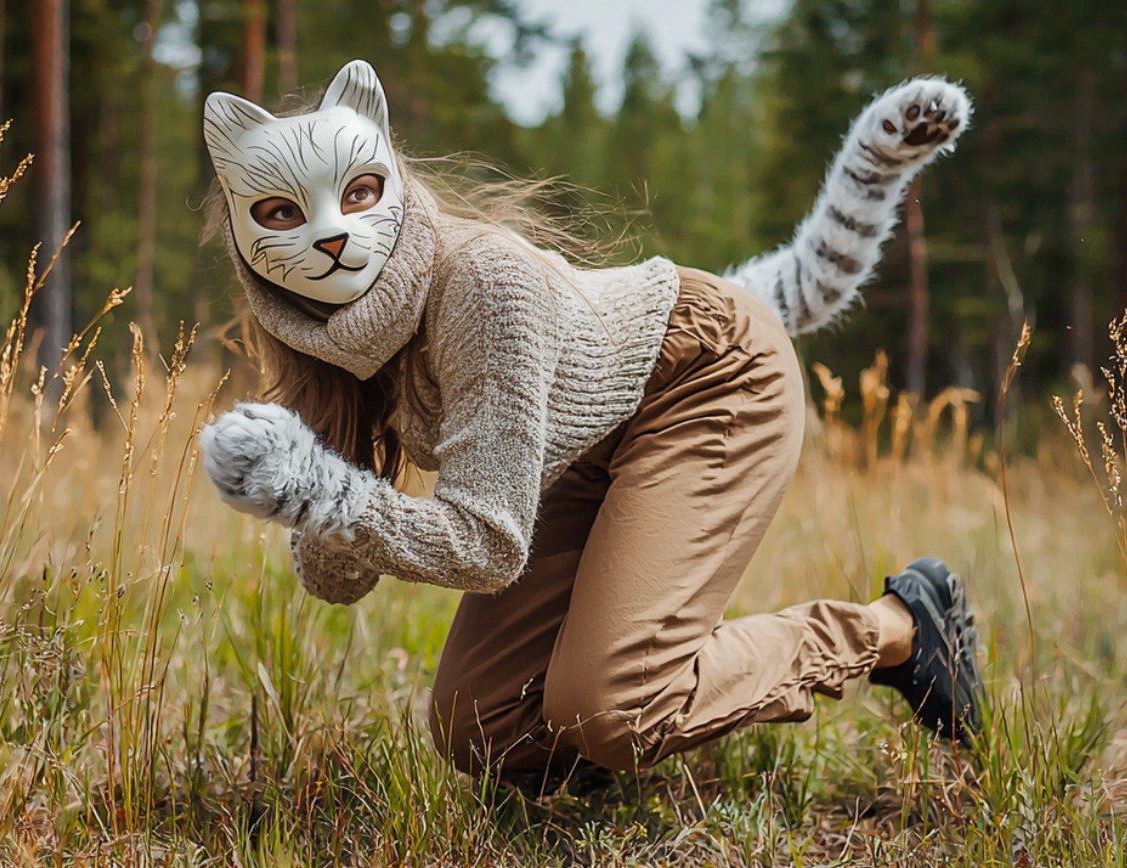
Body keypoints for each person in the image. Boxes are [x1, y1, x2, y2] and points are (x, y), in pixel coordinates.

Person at [198, 60, 983, 789]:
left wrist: (320, 491)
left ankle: (899, 627)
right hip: (580, 441)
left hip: (705, 375)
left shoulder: (481, 282)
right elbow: (338, 581)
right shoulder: (328, 338)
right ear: (243, 234)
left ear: (394, 180)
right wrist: (297, 489)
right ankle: (626, 732)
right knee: (480, 725)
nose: (329, 234)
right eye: (280, 213)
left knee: (616, 709)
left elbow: (486, 543)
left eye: (359, 192)